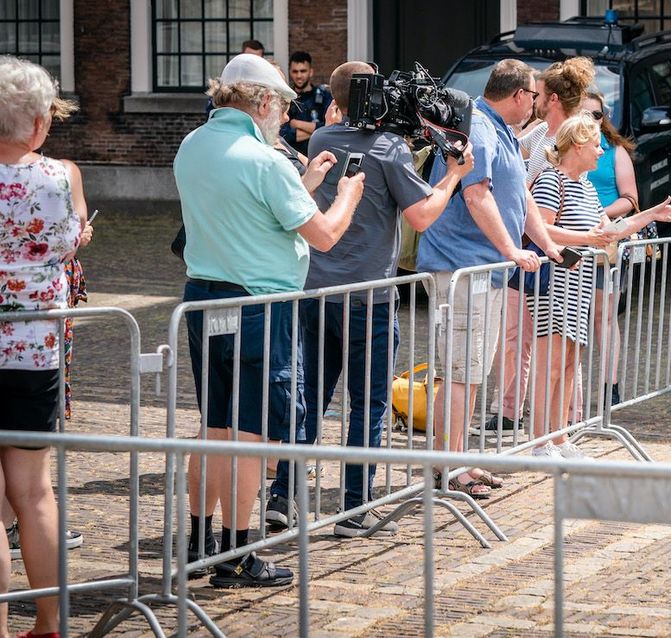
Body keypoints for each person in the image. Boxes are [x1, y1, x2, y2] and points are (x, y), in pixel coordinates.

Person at [174, 53, 364, 587]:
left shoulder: (193, 146)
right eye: (280, 104)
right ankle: (237, 554)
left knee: (213, 428)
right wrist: (345, 194)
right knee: (252, 433)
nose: (284, 115)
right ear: (260, 100)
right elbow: (324, 235)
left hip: (206, 298)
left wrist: (303, 179)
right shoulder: (265, 162)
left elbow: (250, 211)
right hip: (263, 305)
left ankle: (199, 541)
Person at [265, 60, 475, 537]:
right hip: (369, 299)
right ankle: (356, 507)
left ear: (337, 100)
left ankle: (283, 495)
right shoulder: (390, 148)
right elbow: (422, 216)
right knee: (369, 402)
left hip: (317, 292)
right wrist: (452, 175)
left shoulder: (320, 140)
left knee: (309, 397)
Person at [416, 59, 563, 497]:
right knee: (461, 370)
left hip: (485, 271)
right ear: (519, 95)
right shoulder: (479, 125)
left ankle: (461, 460)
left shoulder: (503, 131)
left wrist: (547, 246)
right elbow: (476, 194)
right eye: (534, 97)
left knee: (472, 370)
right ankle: (448, 467)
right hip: (464, 267)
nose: (535, 105)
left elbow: (522, 199)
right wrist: (510, 249)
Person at [527, 114, 671, 458]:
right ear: (579, 145)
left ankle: (559, 436)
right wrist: (586, 238)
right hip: (554, 284)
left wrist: (651, 214)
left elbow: (609, 231)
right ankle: (539, 441)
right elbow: (540, 228)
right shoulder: (552, 180)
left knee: (569, 363)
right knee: (550, 363)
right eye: (596, 144)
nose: (601, 151)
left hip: (579, 285)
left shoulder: (584, 185)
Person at [0, 55, 86, 638]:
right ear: (36, 123)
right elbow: (75, 235)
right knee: (35, 494)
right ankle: (50, 621)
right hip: (35, 348)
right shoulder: (61, 175)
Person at [486, 57, 595, 432]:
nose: (534, 100)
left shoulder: (568, 141)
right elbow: (513, 169)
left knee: (560, 344)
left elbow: (538, 196)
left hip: (545, 249)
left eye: (539, 94)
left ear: (549, 98)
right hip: (530, 247)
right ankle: (511, 409)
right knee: (521, 335)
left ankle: (566, 420)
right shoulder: (533, 136)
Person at [580, 90, 642, 408]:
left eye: (597, 114)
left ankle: (610, 387)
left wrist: (604, 214)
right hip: (574, 243)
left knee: (605, 316)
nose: (591, 120)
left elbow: (631, 198)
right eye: (585, 113)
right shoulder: (562, 148)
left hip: (607, 242)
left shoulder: (615, 152)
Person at [281, 51, 332, 156]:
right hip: (293, 158)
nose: (299, 76)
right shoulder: (285, 98)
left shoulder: (324, 96)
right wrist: (316, 129)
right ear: (290, 72)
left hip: (320, 155)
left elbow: (329, 127)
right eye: (295, 71)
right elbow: (284, 134)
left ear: (311, 72)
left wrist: (297, 124)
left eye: (303, 71)